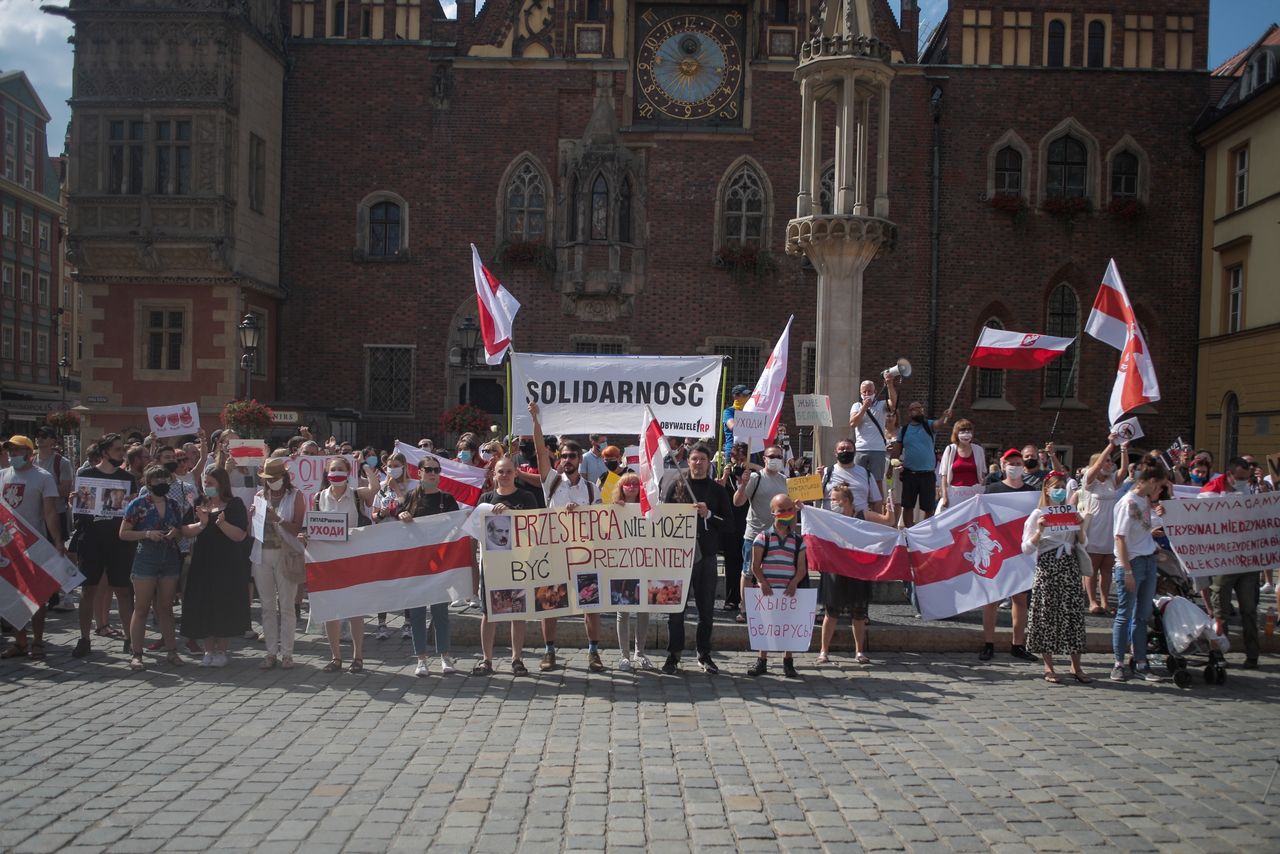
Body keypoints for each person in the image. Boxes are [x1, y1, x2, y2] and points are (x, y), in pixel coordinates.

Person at [530, 400, 603, 672]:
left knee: (591, 604)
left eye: (573, 456)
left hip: (584, 554)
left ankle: (593, 651)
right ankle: (549, 651)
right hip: (554, 551)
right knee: (550, 601)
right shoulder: (552, 482)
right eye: (564, 456)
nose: (568, 460)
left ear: (580, 459)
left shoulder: (593, 489)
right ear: (559, 459)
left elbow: (601, 522)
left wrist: (582, 512)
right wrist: (537, 421)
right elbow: (539, 451)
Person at [663, 443, 732, 675]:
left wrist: (709, 515)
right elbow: (663, 520)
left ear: (708, 462)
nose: (698, 463)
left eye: (703, 459)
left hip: (707, 557)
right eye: (694, 459)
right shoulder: (676, 486)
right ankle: (673, 654)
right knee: (676, 610)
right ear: (688, 461)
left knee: (706, 610)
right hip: (680, 558)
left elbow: (730, 525)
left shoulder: (717, 490)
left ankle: (704, 654)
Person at [71, 434, 138, 658]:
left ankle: (131, 638)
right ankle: (84, 638)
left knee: (123, 591)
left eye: (123, 450)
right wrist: (75, 502)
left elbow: (133, 514)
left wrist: (133, 505)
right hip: (91, 539)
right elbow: (80, 511)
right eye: (118, 450)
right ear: (105, 452)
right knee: (87, 589)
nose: (122, 454)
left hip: (118, 541)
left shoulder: (128, 478)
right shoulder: (86, 474)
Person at [397, 459, 466, 677]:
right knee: (417, 612)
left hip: (439, 563)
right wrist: (402, 516)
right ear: (420, 473)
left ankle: (445, 656)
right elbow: (395, 524)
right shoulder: (411, 497)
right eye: (429, 470)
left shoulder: (447, 499)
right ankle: (421, 659)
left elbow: (457, 527)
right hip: (416, 564)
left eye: (437, 470)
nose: (433, 474)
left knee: (440, 612)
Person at [0, 436, 66, 660]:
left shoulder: (42, 477)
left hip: (34, 544)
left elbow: (49, 512)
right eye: (10, 451)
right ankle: (20, 640)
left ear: (29, 452)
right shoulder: (2, 475)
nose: (12, 455)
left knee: (38, 595)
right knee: (13, 596)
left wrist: (57, 541)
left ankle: (38, 641)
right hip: (8, 545)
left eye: (17, 451)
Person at [1023, 473, 1092, 684]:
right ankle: (1049, 666)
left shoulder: (1071, 513)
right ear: (1046, 489)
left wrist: (1080, 525)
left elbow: (1083, 542)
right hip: (1048, 566)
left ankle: (1076, 665)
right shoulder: (1037, 514)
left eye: (1062, 486)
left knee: (1072, 614)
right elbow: (1026, 548)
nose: (1060, 490)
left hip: (1069, 566)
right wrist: (1040, 531)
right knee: (1047, 615)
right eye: (1056, 487)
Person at [817, 483, 895, 666]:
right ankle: (823, 651)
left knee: (859, 613)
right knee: (831, 612)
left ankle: (859, 651)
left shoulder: (863, 515)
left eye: (834, 499)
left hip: (858, 569)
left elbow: (889, 521)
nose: (831, 502)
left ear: (846, 501)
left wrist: (890, 503)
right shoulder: (830, 517)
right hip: (836, 569)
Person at [473, 457, 538, 676]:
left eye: (509, 471)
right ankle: (486, 660)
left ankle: (517, 659)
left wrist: (510, 512)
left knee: (517, 611)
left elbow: (534, 528)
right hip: (492, 565)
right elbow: (476, 531)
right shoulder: (485, 500)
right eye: (500, 471)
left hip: (518, 563)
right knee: (488, 612)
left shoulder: (526, 497)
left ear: (515, 474)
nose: (504, 475)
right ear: (494, 475)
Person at [178, 468, 249, 666]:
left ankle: (222, 650)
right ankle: (208, 650)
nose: (207, 487)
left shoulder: (234, 505)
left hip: (227, 564)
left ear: (221, 484)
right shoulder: (198, 504)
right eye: (205, 483)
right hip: (203, 563)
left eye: (210, 483)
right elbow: (184, 530)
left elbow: (240, 535)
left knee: (223, 605)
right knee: (204, 605)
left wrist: (222, 524)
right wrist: (202, 524)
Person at [119, 464, 186, 671]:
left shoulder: (173, 504)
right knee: (142, 607)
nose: (163, 484)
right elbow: (123, 533)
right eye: (158, 481)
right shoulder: (138, 504)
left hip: (169, 556)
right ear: (148, 484)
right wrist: (147, 534)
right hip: (146, 556)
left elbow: (180, 528)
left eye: (165, 480)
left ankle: (172, 650)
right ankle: (137, 653)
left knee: (166, 607)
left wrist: (175, 532)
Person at [314, 455, 374, 672]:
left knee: (354, 609)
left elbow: (375, 488)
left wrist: (365, 465)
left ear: (348, 473)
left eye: (341, 469)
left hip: (352, 558)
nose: (336, 473)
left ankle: (358, 657)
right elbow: (314, 527)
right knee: (331, 610)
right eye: (333, 469)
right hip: (329, 560)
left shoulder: (356, 495)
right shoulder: (319, 497)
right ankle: (335, 657)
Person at [1202, 457, 1262, 668]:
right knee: (1220, 612)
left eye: (1247, 478)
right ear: (1229, 475)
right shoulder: (1212, 491)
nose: (1244, 481)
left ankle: (1252, 655)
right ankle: (1219, 654)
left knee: (1249, 610)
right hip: (1224, 561)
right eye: (1240, 478)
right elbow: (1199, 516)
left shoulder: (1253, 491)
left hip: (1247, 561)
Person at [978, 450, 1038, 663]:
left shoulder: (1033, 493)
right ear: (1003, 465)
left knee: (1020, 599)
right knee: (992, 599)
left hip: (1021, 552)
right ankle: (988, 643)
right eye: (1011, 463)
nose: (1015, 466)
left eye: (1018, 462)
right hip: (998, 551)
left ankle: (1018, 644)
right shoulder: (992, 490)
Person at [1111, 462, 1168, 682]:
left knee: (1143, 615)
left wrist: (1158, 512)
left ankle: (1141, 661)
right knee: (1124, 614)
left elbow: (1146, 529)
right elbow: (1120, 538)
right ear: (1152, 482)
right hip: (1131, 562)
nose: (1161, 491)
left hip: (1148, 559)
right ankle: (1118, 663)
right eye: (1160, 486)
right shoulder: (1127, 502)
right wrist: (1126, 571)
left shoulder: (1144, 501)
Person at [251, 457, 307, 670]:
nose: (272, 481)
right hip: (261, 555)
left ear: (284, 477)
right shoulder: (259, 496)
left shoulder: (296, 496)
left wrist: (278, 519)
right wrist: (253, 517)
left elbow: (298, 529)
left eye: (276, 477)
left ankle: (288, 653)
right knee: (266, 606)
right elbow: (253, 531)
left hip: (286, 555)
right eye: (268, 478)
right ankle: (270, 652)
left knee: (286, 606)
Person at [746, 493, 807, 678]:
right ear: (773, 512)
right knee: (765, 626)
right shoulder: (762, 538)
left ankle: (788, 662)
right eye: (782, 510)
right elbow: (755, 566)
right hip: (768, 591)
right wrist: (763, 583)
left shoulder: (798, 541)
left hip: (788, 591)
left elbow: (802, 568)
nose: (787, 513)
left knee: (787, 626)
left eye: (790, 510)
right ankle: (761, 661)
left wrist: (794, 583)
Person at [734, 443, 791, 625]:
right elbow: (738, 502)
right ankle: (744, 608)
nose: (775, 459)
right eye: (771, 456)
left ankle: (766, 607)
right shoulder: (755, 477)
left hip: (778, 536)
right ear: (764, 459)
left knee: (772, 573)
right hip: (755, 534)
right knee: (748, 572)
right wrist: (742, 486)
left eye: (779, 457)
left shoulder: (785, 480)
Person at [1076, 436, 1126, 615]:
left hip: (1109, 529)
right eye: (1105, 461)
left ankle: (1105, 601)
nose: (1108, 464)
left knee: (1106, 569)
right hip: (1094, 528)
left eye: (1110, 461)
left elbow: (1124, 470)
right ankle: (1092, 601)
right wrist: (1110, 446)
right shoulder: (1089, 481)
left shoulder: (1112, 481)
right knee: (1092, 568)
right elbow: (1095, 468)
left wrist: (1123, 449)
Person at [372, 451, 418, 641]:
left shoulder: (414, 486)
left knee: (406, 582)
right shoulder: (382, 489)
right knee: (383, 583)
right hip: (385, 540)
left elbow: (411, 509)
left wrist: (397, 491)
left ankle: (408, 623)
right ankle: (382, 624)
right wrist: (380, 514)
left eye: (396, 466)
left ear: (404, 467)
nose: (392, 470)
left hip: (406, 540)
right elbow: (373, 515)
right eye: (389, 466)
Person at [611, 472, 653, 671]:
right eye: (627, 484)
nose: (631, 487)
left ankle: (640, 653)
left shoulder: (649, 509)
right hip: (623, 564)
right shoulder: (614, 509)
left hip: (644, 564)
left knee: (643, 610)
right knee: (623, 612)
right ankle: (624, 655)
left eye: (635, 484)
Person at [897, 402, 951, 526]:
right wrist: (892, 465)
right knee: (907, 505)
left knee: (928, 507)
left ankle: (925, 532)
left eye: (920, 408)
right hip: (909, 474)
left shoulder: (929, 425)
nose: (919, 410)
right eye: (914, 409)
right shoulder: (904, 430)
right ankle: (909, 532)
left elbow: (940, 423)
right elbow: (897, 449)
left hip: (927, 475)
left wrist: (944, 416)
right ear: (909, 412)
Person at [848, 372, 899, 496]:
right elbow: (853, 423)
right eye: (864, 392)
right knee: (858, 481)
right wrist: (864, 408)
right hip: (860, 449)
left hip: (878, 450)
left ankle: (878, 509)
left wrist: (890, 384)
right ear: (860, 393)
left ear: (875, 391)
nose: (867, 394)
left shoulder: (881, 405)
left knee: (877, 482)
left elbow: (893, 403)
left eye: (869, 391)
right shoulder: (857, 406)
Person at [716, 442, 749, 612]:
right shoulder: (725, 476)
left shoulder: (753, 476)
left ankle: (748, 600)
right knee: (731, 563)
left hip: (748, 524)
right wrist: (722, 481)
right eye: (736, 459)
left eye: (743, 460)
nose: (739, 464)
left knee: (749, 564)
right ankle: (732, 599)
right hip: (730, 525)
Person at [937, 420, 985, 510]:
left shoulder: (979, 450)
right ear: (956, 433)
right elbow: (944, 476)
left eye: (969, 430)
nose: (966, 433)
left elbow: (982, 474)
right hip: (954, 494)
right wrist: (945, 497)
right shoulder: (950, 449)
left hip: (973, 495)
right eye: (963, 431)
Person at [721, 384, 752, 458]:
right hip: (733, 451)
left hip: (749, 451)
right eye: (744, 395)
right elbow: (732, 426)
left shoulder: (750, 411)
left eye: (748, 395)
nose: (747, 397)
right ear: (736, 396)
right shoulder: (728, 412)